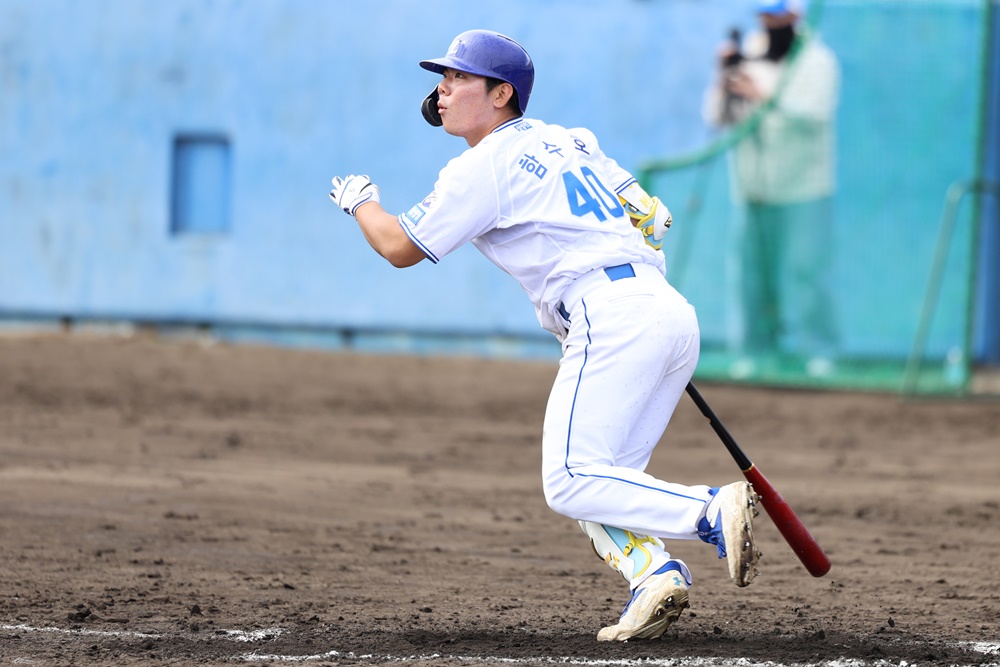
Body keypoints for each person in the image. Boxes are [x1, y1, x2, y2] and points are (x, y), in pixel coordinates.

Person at [329, 29, 760, 642]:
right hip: (665, 311)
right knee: (606, 487)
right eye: (442, 79)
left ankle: (710, 511)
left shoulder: (482, 165)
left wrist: (362, 204)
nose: (443, 90)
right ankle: (653, 573)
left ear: (501, 93)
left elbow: (399, 246)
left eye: (458, 79)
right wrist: (640, 216)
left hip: (608, 314)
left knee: (569, 479)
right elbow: (649, 211)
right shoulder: (569, 139)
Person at [703, 0, 841, 378]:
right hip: (751, 188)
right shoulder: (747, 56)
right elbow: (716, 117)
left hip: (805, 187)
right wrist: (723, 78)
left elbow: (814, 113)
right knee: (749, 274)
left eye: (778, 16)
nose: (770, 23)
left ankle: (820, 351)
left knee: (807, 270)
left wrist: (763, 96)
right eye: (764, 16)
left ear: (796, 17)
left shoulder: (818, 61)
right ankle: (754, 351)